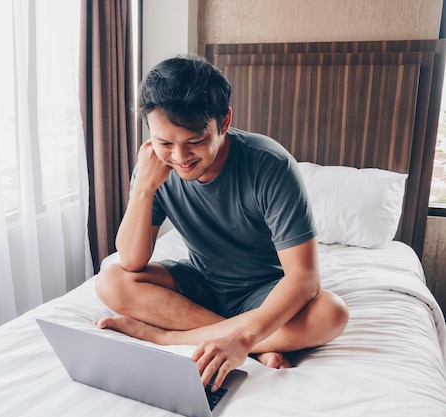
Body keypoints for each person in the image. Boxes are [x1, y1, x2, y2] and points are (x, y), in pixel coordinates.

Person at [94, 54, 349, 392]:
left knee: (331, 313)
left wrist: (241, 340)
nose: (180, 158)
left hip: (263, 292)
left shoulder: (270, 164)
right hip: (201, 283)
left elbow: (303, 279)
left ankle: (167, 337)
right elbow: (131, 260)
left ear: (224, 121)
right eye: (165, 142)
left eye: (195, 142)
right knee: (110, 279)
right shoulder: (155, 165)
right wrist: (143, 188)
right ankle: (261, 346)